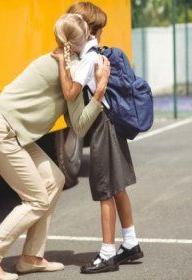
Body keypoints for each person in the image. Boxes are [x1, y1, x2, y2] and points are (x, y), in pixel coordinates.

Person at [0, 14, 111, 280]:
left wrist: (94, 94)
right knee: (36, 198)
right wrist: (100, 90)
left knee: (54, 179)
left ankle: (31, 257)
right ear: (83, 39)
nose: (96, 39)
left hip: (12, 133)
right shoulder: (67, 67)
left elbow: (78, 126)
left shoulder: (67, 65)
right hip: (0, 130)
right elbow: (76, 105)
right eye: (93, 34)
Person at [62, 2, 144, 274]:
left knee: (105, 190)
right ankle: (130, 243)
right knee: (118, 186)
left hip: (102, 126)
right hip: (113, 124)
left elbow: (71, 93)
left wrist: (62, 60)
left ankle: (108, 253)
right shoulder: (99, 53)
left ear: (83, 30)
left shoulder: (88, 59)